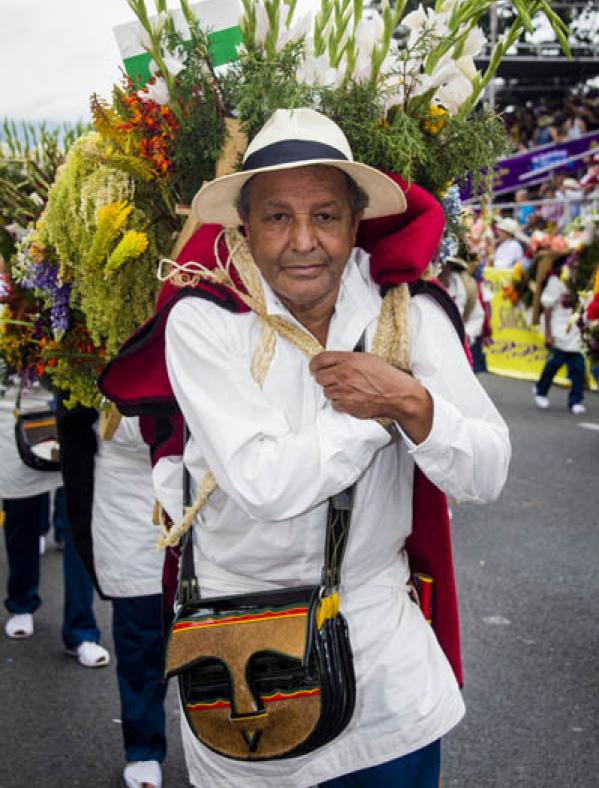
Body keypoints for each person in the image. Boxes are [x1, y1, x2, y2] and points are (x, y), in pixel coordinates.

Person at [100, 107, 511, 788]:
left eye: (324, 216)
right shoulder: (203, 320)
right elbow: (266, 484)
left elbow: (487, 471)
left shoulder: (409, 314)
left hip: (383, 668)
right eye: (276, 217)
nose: (302, 242)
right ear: (242, 224)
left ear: (355, 224)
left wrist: (414, 403)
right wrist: (381, 413)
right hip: (239, 661)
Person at [1, 385, 109, 664]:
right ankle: (21, 601)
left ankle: (81, 630)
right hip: (15, 407)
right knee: (21, 515)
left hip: (72, 410)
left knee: (79, 526)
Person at [92, 414, 167, 788]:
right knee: (141, 641)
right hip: (130, 512)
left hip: (211, 502)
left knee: (218, 638)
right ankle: (144, 747)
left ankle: (228, 746)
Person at [534, 260, 586, 415]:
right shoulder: (557, 281)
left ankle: (575, 401)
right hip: (559, 329)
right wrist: (548, 333)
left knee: (578, 368)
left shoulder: (587, 281)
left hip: (576, 332)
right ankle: (541, 392)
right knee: (553, 365)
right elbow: (548, 306)